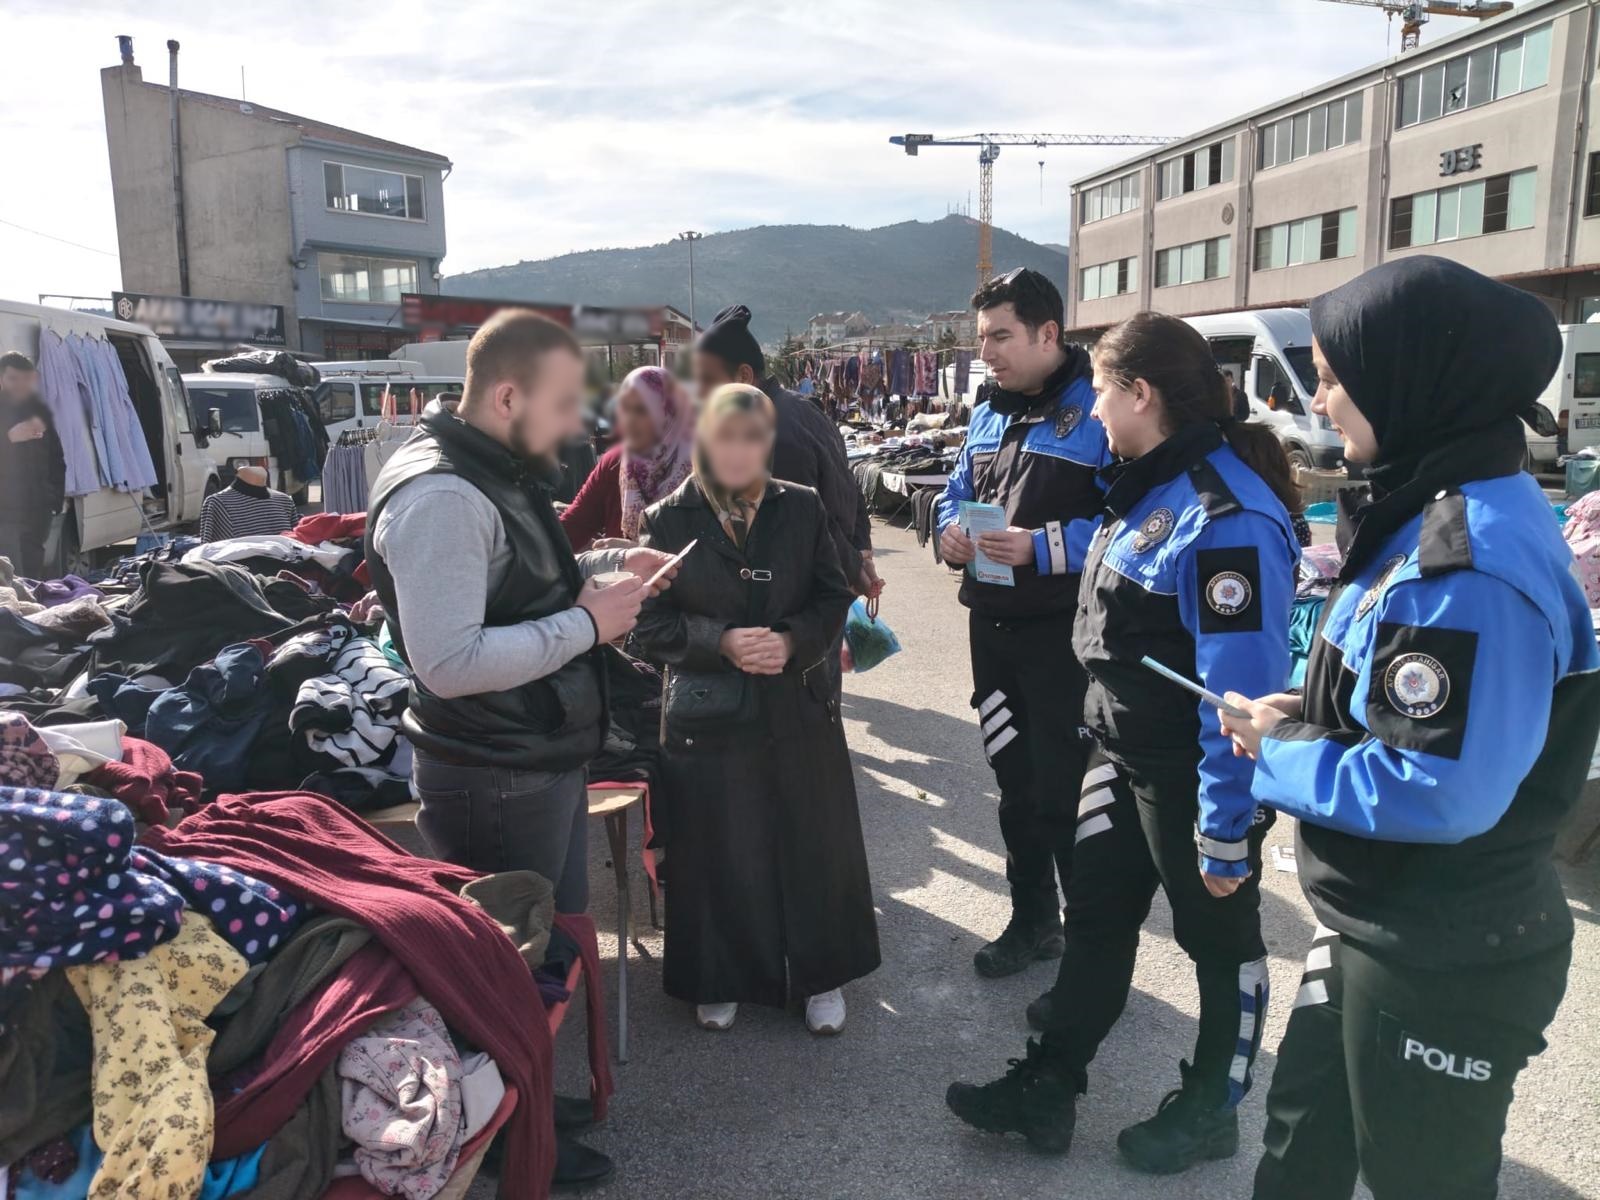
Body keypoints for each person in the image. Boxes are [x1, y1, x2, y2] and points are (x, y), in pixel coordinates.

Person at [1217, 257, 1600, 1200]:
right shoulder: (1433, 504)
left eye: (1335, 376)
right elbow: (1391, 694)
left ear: (1411, 379)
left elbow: (1434, 788)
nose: (1320, 399)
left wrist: (1279, 750)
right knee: (1301, 1148)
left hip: (1443, 947)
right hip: (1382, 921)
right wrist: (1305, 709)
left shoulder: (1464, 562)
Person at [947, 312, 1301, 1173]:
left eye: (1102, 391)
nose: (1094, 409)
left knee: (1219, 946)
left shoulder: (1225, 518)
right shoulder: (1147, 487)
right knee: (1098, 920)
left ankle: (1212, 1107)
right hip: (1119, 753)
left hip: (1194, 777)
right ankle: (1048, 1086)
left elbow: (1237, 699)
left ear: (1141, 394)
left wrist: (1225, 830)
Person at [365, 309, 678, 1190]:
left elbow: (520, 587)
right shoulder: (442, 496)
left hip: (532, 756)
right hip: (493, 770)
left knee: (542, 953)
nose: (578, 425)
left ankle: (523, 1098)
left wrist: (608, 572)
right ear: (507, 397)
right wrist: (588, 624)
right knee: (501, 965)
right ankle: (499, 1134)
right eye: (564, 404)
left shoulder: (490, 469)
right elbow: (449, 660)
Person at [632, 383, 880, 1035]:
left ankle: (821, 976)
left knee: (812, 840)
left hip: (797, 702)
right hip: (708, 715)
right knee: (718, 845)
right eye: (725, 437)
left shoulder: (801, 506)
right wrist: (720, 641)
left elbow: (832, 595)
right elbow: (647, 625)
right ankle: (720, 976)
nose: (738, 452)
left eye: (752, 438)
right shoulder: (666, 521)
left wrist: (793, 641)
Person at [932, 268, 1108, 978]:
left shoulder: (1100, 409)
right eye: (983, 339)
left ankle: (1090, 953)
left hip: (1065, 639)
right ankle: (1033, 923)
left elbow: (1135, 526)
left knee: (1069, 794)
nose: (987, 353)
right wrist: (948, 532)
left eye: (1000, 337)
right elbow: (954, 492)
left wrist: (1044, 546)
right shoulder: (988, 412)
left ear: (1048, 334)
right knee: (1015, 786)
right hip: (993, 631)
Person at [692, 304, 882, 601]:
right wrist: (860, 551)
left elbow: (808, 518)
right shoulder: (804, 408)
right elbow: (850, 484)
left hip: (798, 601)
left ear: (743, 375)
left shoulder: (769, 435)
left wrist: (856, 565)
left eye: (707, 380)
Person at [560, 366, 694, 551]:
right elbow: (572, 529)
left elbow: (711, 552)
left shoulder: (702, 468)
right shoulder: (615, 463)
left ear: (670, 412)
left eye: (641, 410)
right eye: (624, 408)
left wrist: (636, 549)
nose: (629, 420)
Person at [0, 351, 64, 577]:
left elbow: (57, 459)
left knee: (32, 574)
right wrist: (9, 438)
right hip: (5, 512)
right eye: (13, 378)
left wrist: (55, 499)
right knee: (11, 575)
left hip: (38, 509)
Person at [198, 465, 298, 542]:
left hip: (286, 563)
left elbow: (298, 546)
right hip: (236, 563)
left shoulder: (284, 501)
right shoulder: (218, 503)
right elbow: (209, 551)